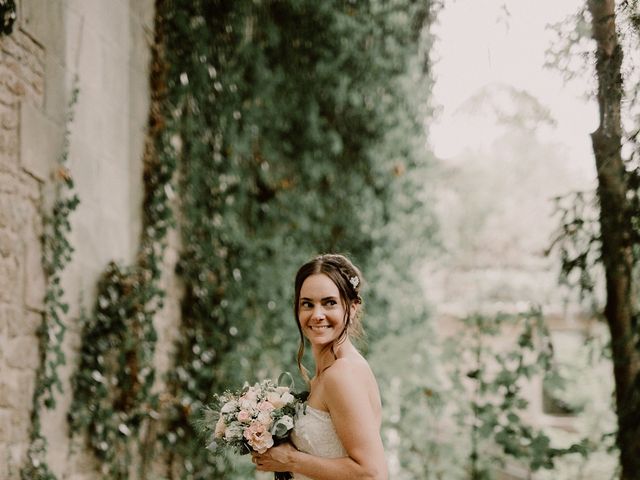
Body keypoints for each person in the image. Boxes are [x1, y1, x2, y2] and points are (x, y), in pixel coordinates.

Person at [251, 254, 388, 480]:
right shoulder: (329, 373)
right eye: (307, 304)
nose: (317, 315)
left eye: (329, 303)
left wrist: (290, 460)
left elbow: (372, 474)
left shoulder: (341, 374)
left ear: (352, 308)